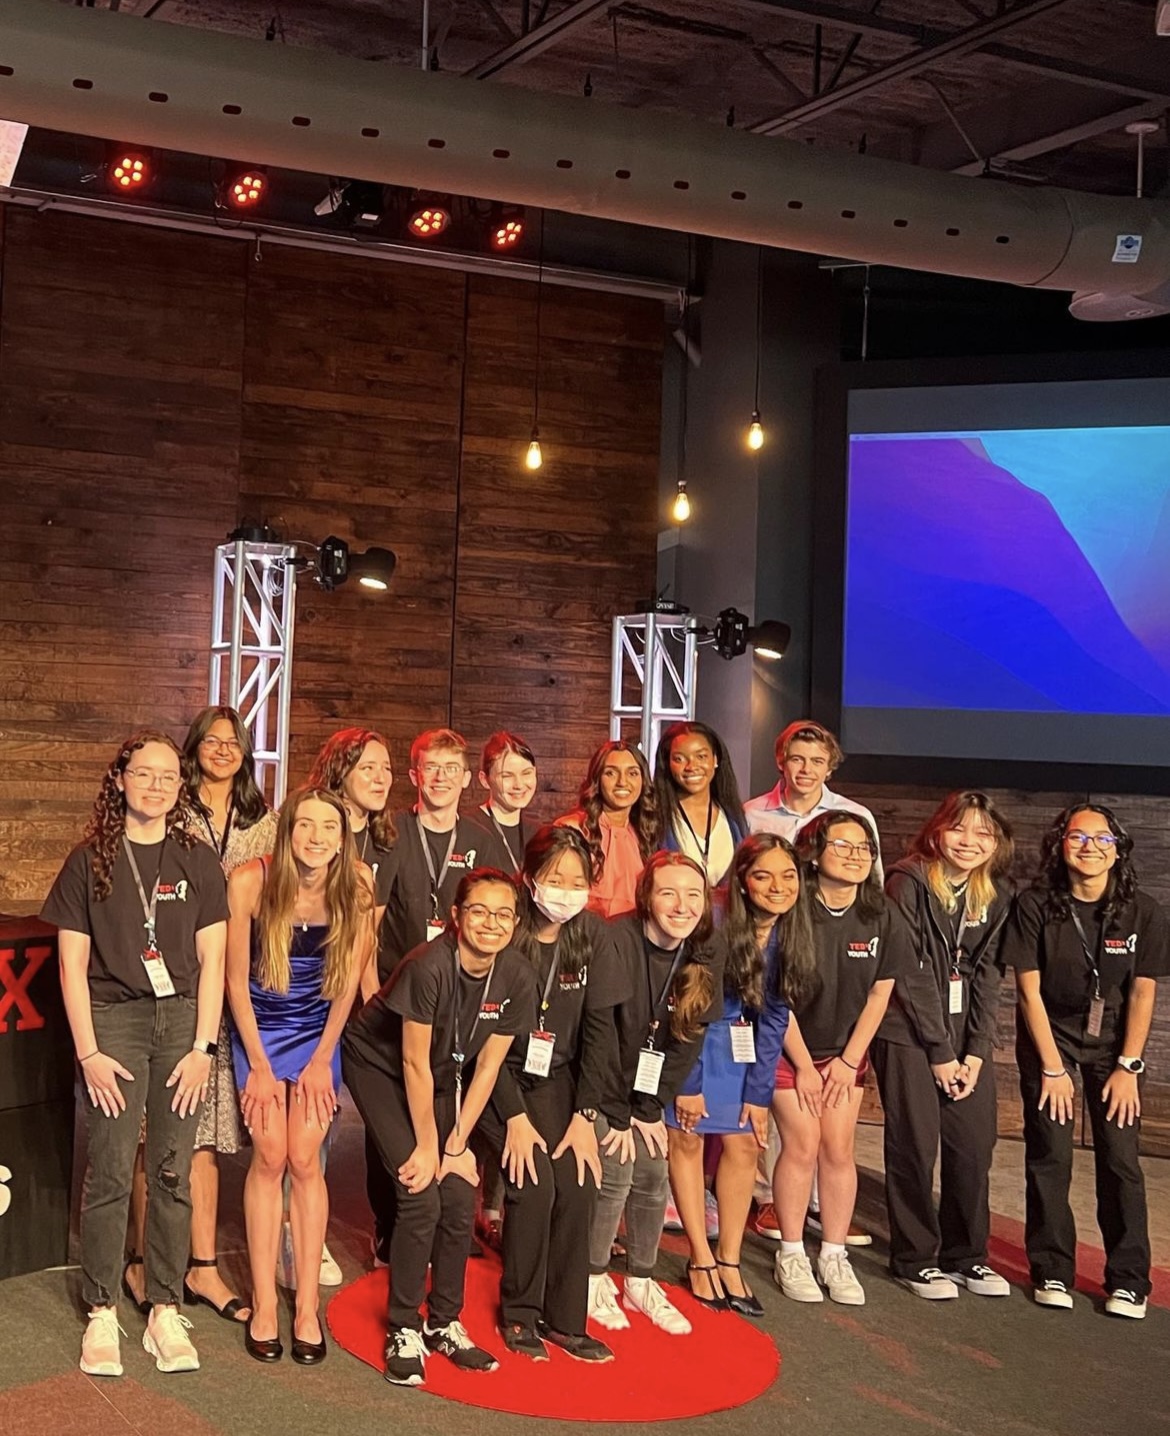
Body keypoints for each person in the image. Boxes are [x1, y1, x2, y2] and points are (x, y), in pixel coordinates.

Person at [42, 730, 229, 1378]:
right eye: (144, 774)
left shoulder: (197, 860)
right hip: (112, 1024)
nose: (157, 785)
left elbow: (214, 962)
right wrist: (88, 1052)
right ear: (119, 780)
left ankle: (164, 1307)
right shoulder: (87, 859)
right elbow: (70, 968)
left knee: (173, 1171)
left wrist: (205, 1047)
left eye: (169, 777)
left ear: (180, 789)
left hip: (182, 1024)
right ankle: (100, 1308)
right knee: (113, 1169)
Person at [342, 869, 533, 1387]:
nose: (491, 923)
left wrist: (457, 1143)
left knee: (458, 1193)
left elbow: (489, 1067)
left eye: (503, 914)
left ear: (515, 922)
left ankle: (445, 1321)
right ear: (456, 917)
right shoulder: (428, 966)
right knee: (421, 1191)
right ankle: (403, 1326)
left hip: (445, 1070)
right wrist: (429, 1147)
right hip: (380, 1066)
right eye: (478, 911)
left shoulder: (516, 974)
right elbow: (411, 1063)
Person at [124, 706, 277, 1325]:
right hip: (164, 982)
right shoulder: (169, 809)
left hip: (222, 985)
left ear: (245, 752)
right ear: (192, 749)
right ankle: (138, 1258)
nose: (221, 750)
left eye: (232, 742)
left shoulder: (263, 823)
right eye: (210, 740)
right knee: (147, 1134)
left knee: (207, 1133)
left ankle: (203, 1266)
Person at [1001, 804, 1169, 1319]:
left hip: (1115, 1047)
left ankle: (1128, 1279)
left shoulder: (1143, 910)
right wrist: (1052, 1068)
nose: (1090, 847)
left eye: (1102, 839)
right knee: (1050, 1153)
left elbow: (1142, 994)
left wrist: (1129, 1068)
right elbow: (1027, 994)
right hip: (1050, 1039)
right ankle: (1052, 1269)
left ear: (1118, 848)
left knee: (1121, 1160)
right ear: (1061, 844)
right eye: (1078, 837)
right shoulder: (1035, 905)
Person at [227, 787, 373, 1364]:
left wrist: (321, 1059)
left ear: (343, 836)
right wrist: (259, 1065)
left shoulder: (357, 883)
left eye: (329, 828)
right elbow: (237, 983)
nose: (317, 837)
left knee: (306, 1157)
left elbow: (346, 984)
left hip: (317, 1028)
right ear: (287, 831)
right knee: (269, 1153)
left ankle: (307, 1304)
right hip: (259, 1026)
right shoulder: (250, 881)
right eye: (305, 825)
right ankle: (265, 1301)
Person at [486, 825, 630, 1361]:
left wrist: (585, 1116)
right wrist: (516, 1119)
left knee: (578, 1179)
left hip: (560, 1083)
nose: (567, 890)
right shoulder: (506, 932)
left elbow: (600, 1034)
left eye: (578, 880)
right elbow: (483, 1042)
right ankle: (520, 1313)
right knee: (534, 1181)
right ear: (529, 880)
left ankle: (566, 1320)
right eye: (555, 878)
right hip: (496, 1077)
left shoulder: (595, 936)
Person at [874, 792, 1014, 1300]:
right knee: (914, 1145)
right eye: (960, 829)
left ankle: (967, 1256)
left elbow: (988, 977)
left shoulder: (995, 893)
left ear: (996, 844)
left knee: (974, 1146)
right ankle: (913, 1258)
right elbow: (908, 971)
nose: (970, 842)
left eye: (983, 833)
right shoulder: (907, 881)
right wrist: (939, 1052)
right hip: (907, 1032)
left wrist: (976, 1052)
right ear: (938, 831)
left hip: (962, 1042)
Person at [744, 720, 880, 1246]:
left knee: (832, 1139)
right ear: (782, 760)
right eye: (797, 759)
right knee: (784, 1122)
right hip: (775, 972)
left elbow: (869, 895)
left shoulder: (855, 819)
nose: (805, 770)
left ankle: (822, 1219)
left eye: (817, 762)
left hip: (835, 992)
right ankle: (772, 1208)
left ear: (830, 766)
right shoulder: (754, 814)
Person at [772, 811, 911, 1308]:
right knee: (804, 1143)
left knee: (838, 1148)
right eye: (843, 846)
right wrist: (806, 1065)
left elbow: (880, 995)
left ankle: (833, 1253)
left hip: (845, 1056)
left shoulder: (882, 913)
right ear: (814, 850)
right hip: (788, 1047)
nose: (856, 856)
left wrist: (850, 1062)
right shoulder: (792, 907)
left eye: (864, 848)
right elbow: (776, 997)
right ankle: (791, 1251)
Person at [586, 851, 724, 1336]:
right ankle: (592, 1276)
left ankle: (641, 1279)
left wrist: (648, 1109)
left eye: (693, 895)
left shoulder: (704, 951)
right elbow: (597, 1033)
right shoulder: (614, 939)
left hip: (643, 1089)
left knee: (652, 1166)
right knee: (616, 1164)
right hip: (594, 1082)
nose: (682, 905)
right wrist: (620, 1113)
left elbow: (687, 1043)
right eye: (668, 892)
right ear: (647, 897)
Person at [665, 835, 802, 1317]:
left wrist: (760, 1093)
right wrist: (689, 1084)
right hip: (695, 1045)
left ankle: (729, 1259)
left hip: (742, 1047)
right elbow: (690, 1006)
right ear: (742, 881)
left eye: (788, 875)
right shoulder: (716, 924)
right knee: (687, 1139)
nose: (778, 886)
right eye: (763, 875)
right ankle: (700, 1260)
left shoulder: (791, 932)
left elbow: (776, 1016)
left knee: (745, 1143)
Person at [557, 740, 660, 919]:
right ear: (597, 780)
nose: (622, 782)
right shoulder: (572, 829)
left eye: (633, 773)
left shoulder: (644, 832)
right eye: (611, 773)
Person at [654, 721, 748, 888]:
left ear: (715, 760)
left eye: (701, 756)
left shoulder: (735, 819)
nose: (691, 766)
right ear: (668, 764)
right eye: (679, 759)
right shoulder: (655, 818)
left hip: (730, 914)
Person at [476, 731, 540, 876]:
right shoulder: (466, 828)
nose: (519, 784)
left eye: (526, 773)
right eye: (507, 776)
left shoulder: (540, 834)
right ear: (484, 780)